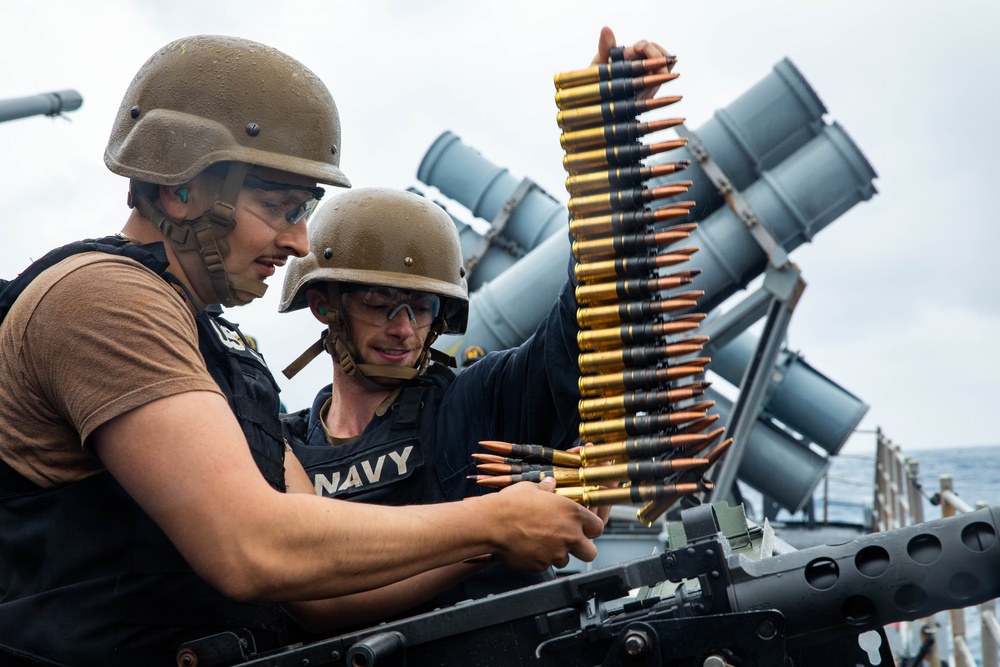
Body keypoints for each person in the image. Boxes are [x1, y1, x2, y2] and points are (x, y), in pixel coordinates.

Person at [0, 34, 604, 666]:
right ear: (182, 189)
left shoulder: (225, 354)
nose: (297, 241)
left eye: (305, 212)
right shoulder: (104, 299)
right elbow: (252, 547)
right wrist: (490, 523)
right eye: (279, 207)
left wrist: (502, 537)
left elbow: (319, 598)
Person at [279, 29, 675, 622]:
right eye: (381, 301)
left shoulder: (476, 404)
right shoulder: (280, 447)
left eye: (424, 308)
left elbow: (590, 330)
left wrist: (606, 156)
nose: (405, 328)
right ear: (324, 306)